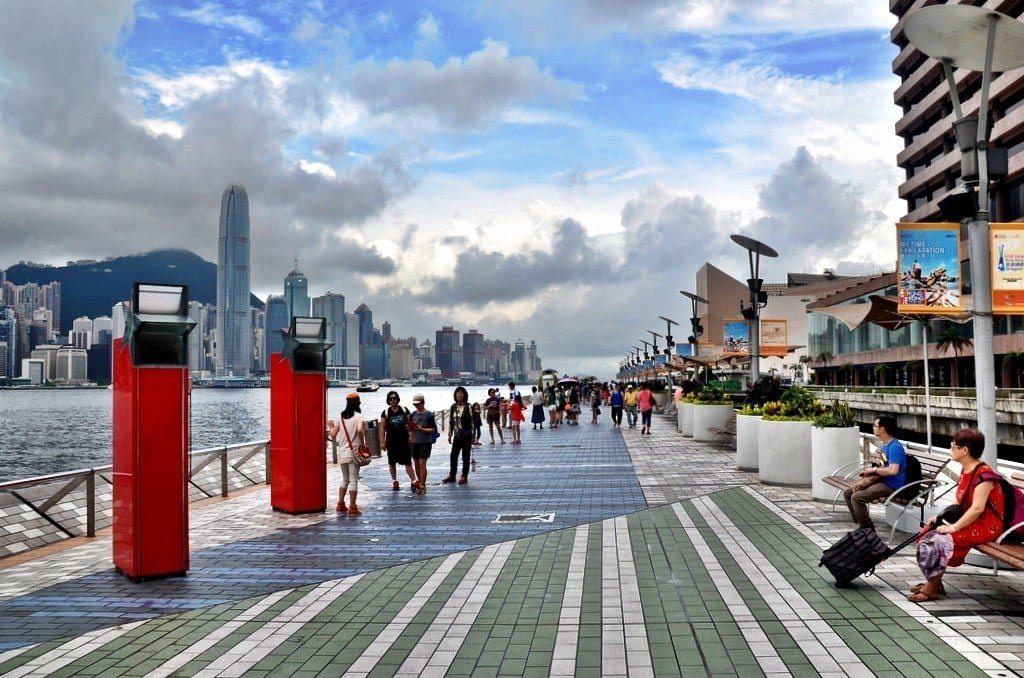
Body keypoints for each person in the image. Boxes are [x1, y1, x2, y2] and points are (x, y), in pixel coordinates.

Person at [910, 428, 1004, 602]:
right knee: (928, 533)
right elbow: (960, 504)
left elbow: (977, 509)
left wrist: (953, 527)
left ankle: (932, 587)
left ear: (964, 450)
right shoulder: (966, 470)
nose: (950, 449)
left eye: (953, 445)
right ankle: (935, 582)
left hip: (988, 525)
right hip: (972, 520)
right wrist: (938, 518)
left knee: (941, 538)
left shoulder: (984, 475)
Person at [843, 416, 906, 529]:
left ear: (883, 429)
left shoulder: (895, 447)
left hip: (892, 484)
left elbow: (893, 470)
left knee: (857, 497)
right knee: (848, 493)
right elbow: (882, 463)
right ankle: (861, 525)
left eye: (875, 426)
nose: (873, 428)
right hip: (882, 480)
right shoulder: (885, 446)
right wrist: (873, 466)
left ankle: (868, 530)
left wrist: (874, 470)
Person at [329, 393, 365, 516]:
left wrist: (330, 426)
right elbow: (360, 430)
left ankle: (340, 504)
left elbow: (333, 435)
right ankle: (353, 506)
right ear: (357, 403)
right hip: (354, 453)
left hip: (343, 453)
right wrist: (363, 443)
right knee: (353, 479)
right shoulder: (358, 417)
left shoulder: (340, 417)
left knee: (345, 478)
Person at [380, 391, 418, 492]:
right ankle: (395, 480)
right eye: (391, 399)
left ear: (398, 399)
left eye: (394, 398)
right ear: (388, 400)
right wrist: (382, 442)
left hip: (404, 440)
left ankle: (414, 480)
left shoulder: (404, 410)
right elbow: (382, 428)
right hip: (391, 441)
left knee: (407, 461)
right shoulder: (386, 412)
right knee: (392, 462)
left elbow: (410, 424)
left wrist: (411, 435)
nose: (393, 400)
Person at [444, 386, 474, 484]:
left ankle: (464, 475)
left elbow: (472, 422)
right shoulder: (453, 407)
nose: (459, 395)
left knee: (465, 456)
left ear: (464, 395)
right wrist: (449, 434)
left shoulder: (468, 407)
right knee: (453, 455)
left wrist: (473, 436)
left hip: (466, 435)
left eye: (461, 393)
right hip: (457, 436)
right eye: (457, 393)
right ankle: (452, 475)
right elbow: (451, 422)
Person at [408, 394, 436, 495]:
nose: (416, 406)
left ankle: (423, 485)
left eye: (418, 404)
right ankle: (419, 483)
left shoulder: (429, 415)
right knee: (416, 464)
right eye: (415, 404)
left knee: (422, 464)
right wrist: (410, 433)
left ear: (423, 403)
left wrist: (422, 429)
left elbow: (433, 429)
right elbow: (409, 428)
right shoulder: (413, 414)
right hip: (415, 442)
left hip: (425, 442)